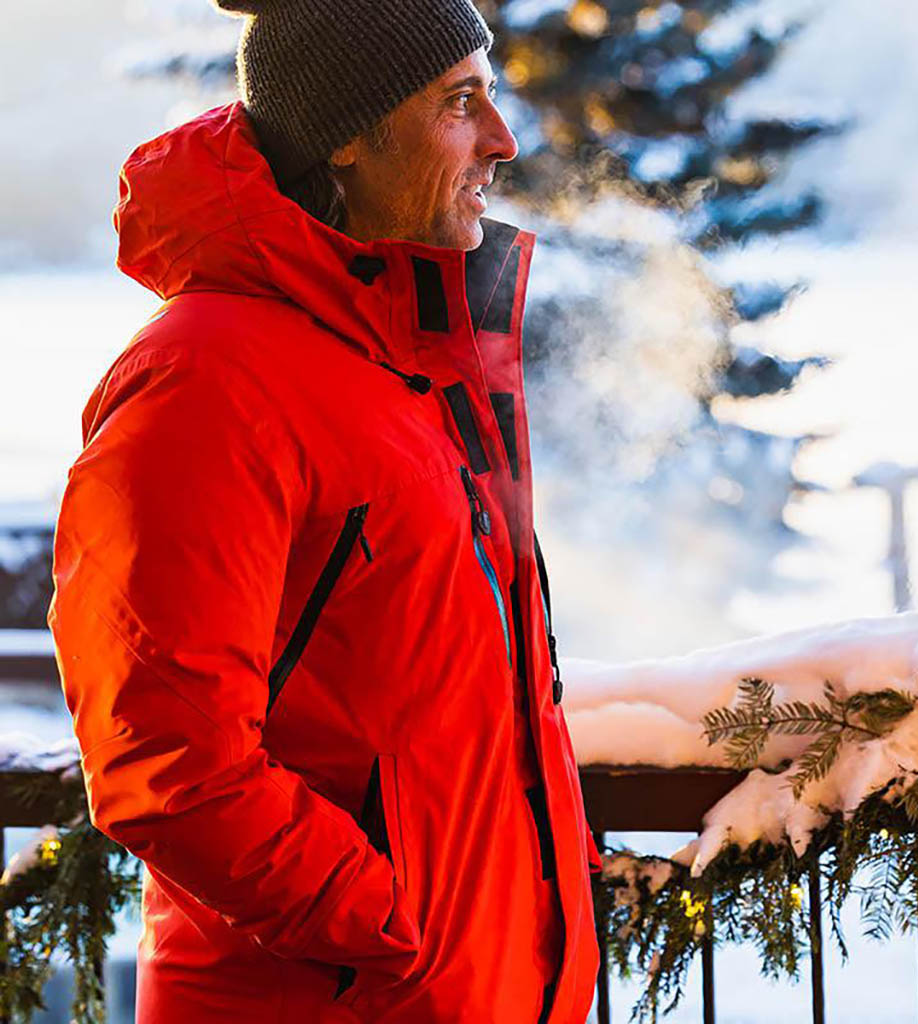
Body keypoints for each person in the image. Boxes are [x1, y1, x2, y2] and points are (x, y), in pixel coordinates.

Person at [47, 0, 603, 1021]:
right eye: (459, 102)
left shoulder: (404, 361)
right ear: (348, 135)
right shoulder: (207, 380)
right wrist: (391, 927)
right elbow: (170, 762)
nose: (502, 140)